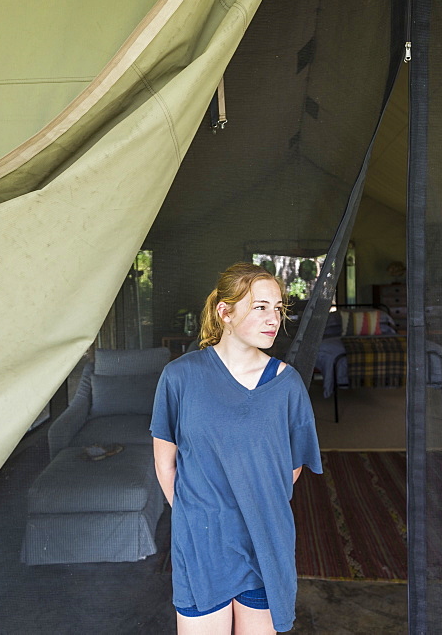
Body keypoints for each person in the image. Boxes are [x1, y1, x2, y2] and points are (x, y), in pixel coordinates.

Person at [150, 262, 323, 634]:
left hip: (265, 540)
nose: (272, 318)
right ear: (224, 312)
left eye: (277, 308)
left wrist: (255, 500)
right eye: (260, 306)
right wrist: (196, 520)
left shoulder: (287, 385)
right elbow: (166, 464)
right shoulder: (180, 377)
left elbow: (291, 469)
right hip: (202, 544)